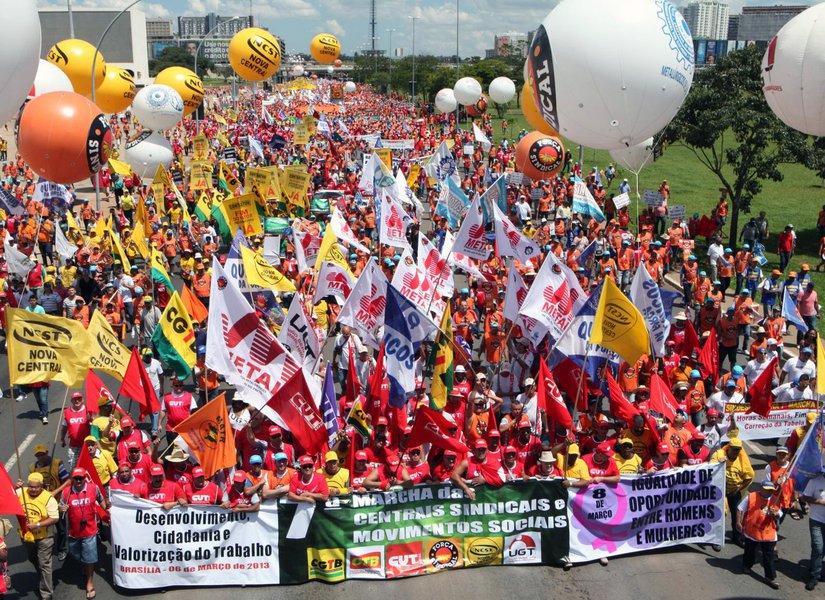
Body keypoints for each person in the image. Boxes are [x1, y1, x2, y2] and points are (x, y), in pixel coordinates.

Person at [59, 467, 108, 599]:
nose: (79, 481)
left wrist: (107, 510)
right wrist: (61, 509)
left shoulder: (93, 488)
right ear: (72, 479)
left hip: (90, 531)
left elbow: (101, 499)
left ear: (85, 478)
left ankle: (89, 582)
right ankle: (85, 565)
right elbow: (60, 507)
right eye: (76, 478)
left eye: (81, 478)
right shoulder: (66, 493)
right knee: (77, 554)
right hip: (74, 533)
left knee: (89, 557)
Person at [17, 473, 60, 600]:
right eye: (31, 487)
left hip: (44, 537)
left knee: (44, 564)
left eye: (36, 487)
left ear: (41, 486)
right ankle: (44, 578)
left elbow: (54, 518)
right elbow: (10, 497)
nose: (33, 489)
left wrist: (38, 524)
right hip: (27, 536)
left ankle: (46, 594)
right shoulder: (21, 492)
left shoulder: (48, 499)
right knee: (33, 559)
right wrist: (15, 487)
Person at [738, 479, 782, 590]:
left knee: (769, 556)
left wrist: (774, 514)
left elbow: (779, 515)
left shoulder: (775, 500)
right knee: (749, 551)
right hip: (752, 532)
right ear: (761, 488)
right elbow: (740, 509)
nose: (768, 492)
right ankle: (747, 565)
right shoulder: (751, 497)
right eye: (766, 489)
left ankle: (770, 577)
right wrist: (738, 522)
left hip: (768, 534)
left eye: (770, 490)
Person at [710, 437, 754, 546]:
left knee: (737, 515)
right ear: (728, 447)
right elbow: (710, 468)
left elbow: (749, 477)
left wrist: (738, 489)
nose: (736, 452)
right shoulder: (719, 454)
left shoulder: (742, 459)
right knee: (720, 514)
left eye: (738, 449)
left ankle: (736, 538)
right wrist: (719, 464)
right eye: (734, 449)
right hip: (720, 490)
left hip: (734, 491)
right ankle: (716, 539)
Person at [801, 466, 825, 590]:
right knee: (818, 547)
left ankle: (815, 567)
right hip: (816, 520)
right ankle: (814, 577)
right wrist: (820, 502)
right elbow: (805, 496)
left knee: (822, 550)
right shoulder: (815, 481)